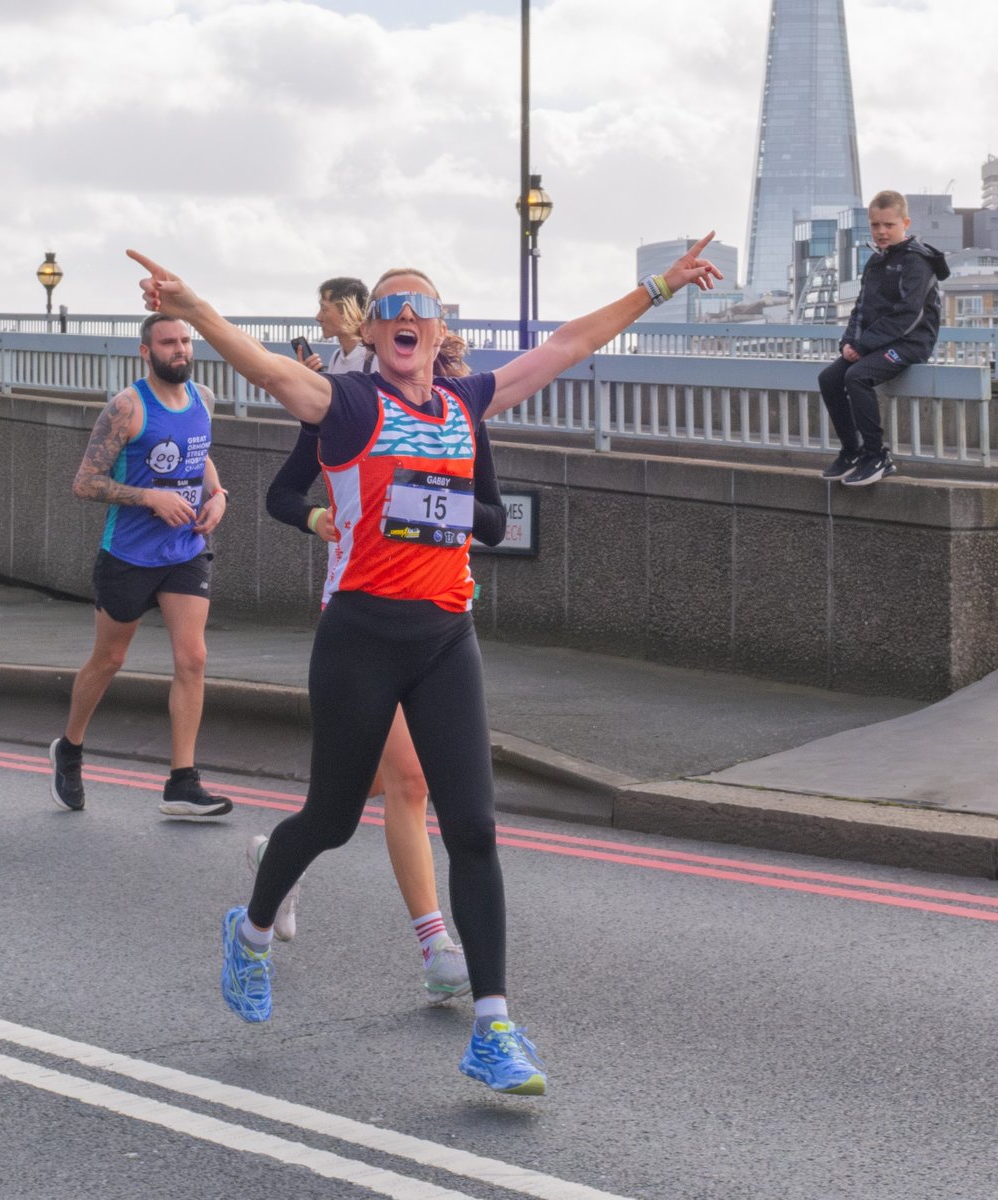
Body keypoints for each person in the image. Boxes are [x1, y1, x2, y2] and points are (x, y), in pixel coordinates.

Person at [128, 237, 721, 1096]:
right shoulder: (347, 404)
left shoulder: (465, 401)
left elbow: (565, 346)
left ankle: (493, 1026)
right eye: (392, 308)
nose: (408, 317)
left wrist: (658, 287)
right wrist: (192, 310)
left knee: (475, 829)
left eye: (424, 308)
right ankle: (250, 930)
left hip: (447, 638)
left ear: (443, 333)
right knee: (330, 820)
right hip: (360, 637)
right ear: (370, 331)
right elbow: (264, 371)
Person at [259, 304, 507, 1007]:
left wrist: (441, 503)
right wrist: (317, 517)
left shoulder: (460, 420)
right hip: (362, 616)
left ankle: (286, 852)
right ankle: (434, 943)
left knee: (388, 788)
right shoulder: (347, 411)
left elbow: (489, 516)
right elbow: (283, 492)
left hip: (438, 618)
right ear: (372, 336)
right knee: (406, 780)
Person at [48, 313, 233, 819]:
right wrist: (149, 496)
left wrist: (217, 496)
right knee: (109, 660)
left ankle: (182, 782)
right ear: (145, 352)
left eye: (184, 341)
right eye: (168, 342)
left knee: (192, 657)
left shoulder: (205, 399)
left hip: (185, 551)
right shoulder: (126, 408)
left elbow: (201, 457)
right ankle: (70, 747)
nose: (180, 350)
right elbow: (85, 482)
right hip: (128, 555)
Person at [818, 190, 950, 487]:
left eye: (888, 225)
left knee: (858, 377)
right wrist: (848, 343)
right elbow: (860, 310)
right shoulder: (875, 262)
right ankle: (853, 451)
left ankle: (877, 457)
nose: (881, 232)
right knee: (829, 378)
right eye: (875, 225)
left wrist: (863, 346)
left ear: (905, 223)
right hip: (877, 344)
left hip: (910, 344)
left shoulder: (917, 262)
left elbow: (908, 316)